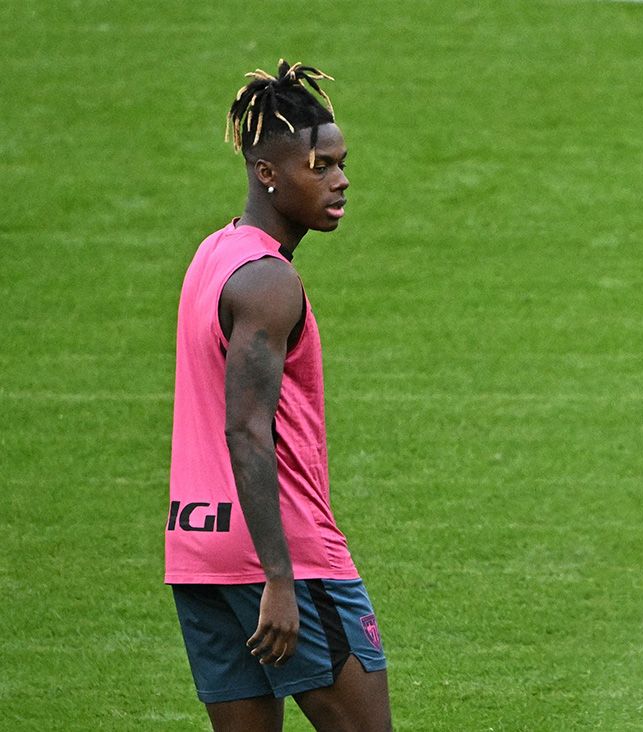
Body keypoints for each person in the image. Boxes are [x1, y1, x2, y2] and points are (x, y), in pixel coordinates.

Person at [166, 60, 392, 731]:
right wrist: (280, 578)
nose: (340, 179)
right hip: (281, 552)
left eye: (341, 163)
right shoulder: (268, 282)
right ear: (268, 172)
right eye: (319, 166)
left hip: (197, 548)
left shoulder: (214, 254)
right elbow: (245, 429)